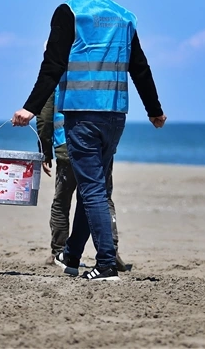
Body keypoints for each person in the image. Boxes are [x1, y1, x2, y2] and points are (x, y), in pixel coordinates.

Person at [12, 0, 166, 281]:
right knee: (90, 186)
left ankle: (106, 263)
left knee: (92, 189)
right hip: (116, 115)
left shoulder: (70, 11)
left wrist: (29, 109)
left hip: (82, 115)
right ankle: (71, 255)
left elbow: (52, 65)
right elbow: (140, 66)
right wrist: (154, 109)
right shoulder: (124, 15)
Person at [36, 85, 129, 272]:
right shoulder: (98, 74)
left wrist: (44, 150)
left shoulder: (58, 76)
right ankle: (111, 250)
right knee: (102, 197)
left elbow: (44, 116)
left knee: (62, 200)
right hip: (99, 143)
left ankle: (60, 251)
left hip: (66, 144)